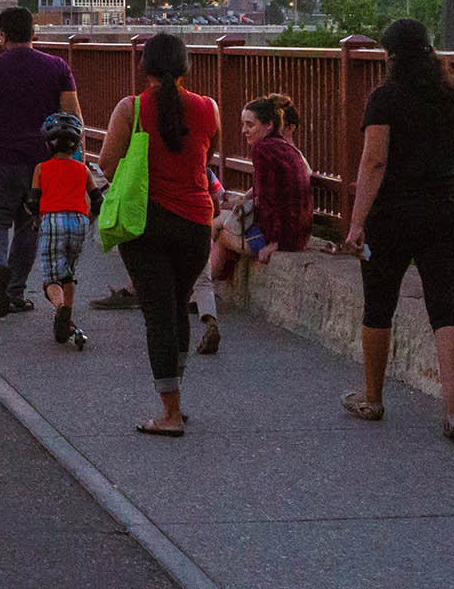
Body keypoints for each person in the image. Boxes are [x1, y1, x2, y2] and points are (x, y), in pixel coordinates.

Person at [342, 17, 454, 440]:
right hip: (448, 209)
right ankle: (453, 413)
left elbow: (375, 162)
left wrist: (356, 223)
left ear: (390, 56)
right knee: (446, 308)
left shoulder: (385, 98)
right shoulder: (453, 97)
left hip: (394, 215)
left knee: (379, 305)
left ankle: (372, 399)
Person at [96, 32, 219, 436]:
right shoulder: (207, 109)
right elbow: (207, 156)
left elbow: (108, 164)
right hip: (197, 223)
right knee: (178, 307)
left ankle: (169, 414)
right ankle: (176, 402)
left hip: (145, 222)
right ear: (186, 67)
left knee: (158, 317)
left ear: (143, 66)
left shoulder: (131, 109)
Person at [0, 7, 80, 317]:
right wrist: (76, 162)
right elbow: (72, 117)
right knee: (29, 225)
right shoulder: (57, 66)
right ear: (33, 32)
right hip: (41, 163)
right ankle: (15, 291)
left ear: (1, 34)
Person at [194, 91, 312, 355]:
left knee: (217, 227)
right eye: (243, 124)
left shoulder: (263, 149)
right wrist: (245, 199)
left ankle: (196, 291)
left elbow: (272, 198)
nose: (244, 130)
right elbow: (271, 191)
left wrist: (273, 242)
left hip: (284, 237)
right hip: (300, 233)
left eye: (250, 124)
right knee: (224, 224)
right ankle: (201, 294)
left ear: (268, 125)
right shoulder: (283, 146)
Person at [31, 111, 93, 350]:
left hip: (53, 220)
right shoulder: (83, 169)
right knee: (68, 271)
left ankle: (61, 309)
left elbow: (33, 201)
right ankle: (67, 319)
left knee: (50, 278)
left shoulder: (41, 168)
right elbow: (96, 198)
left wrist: (34, 218)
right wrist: (91, 218)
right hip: (78, 221)